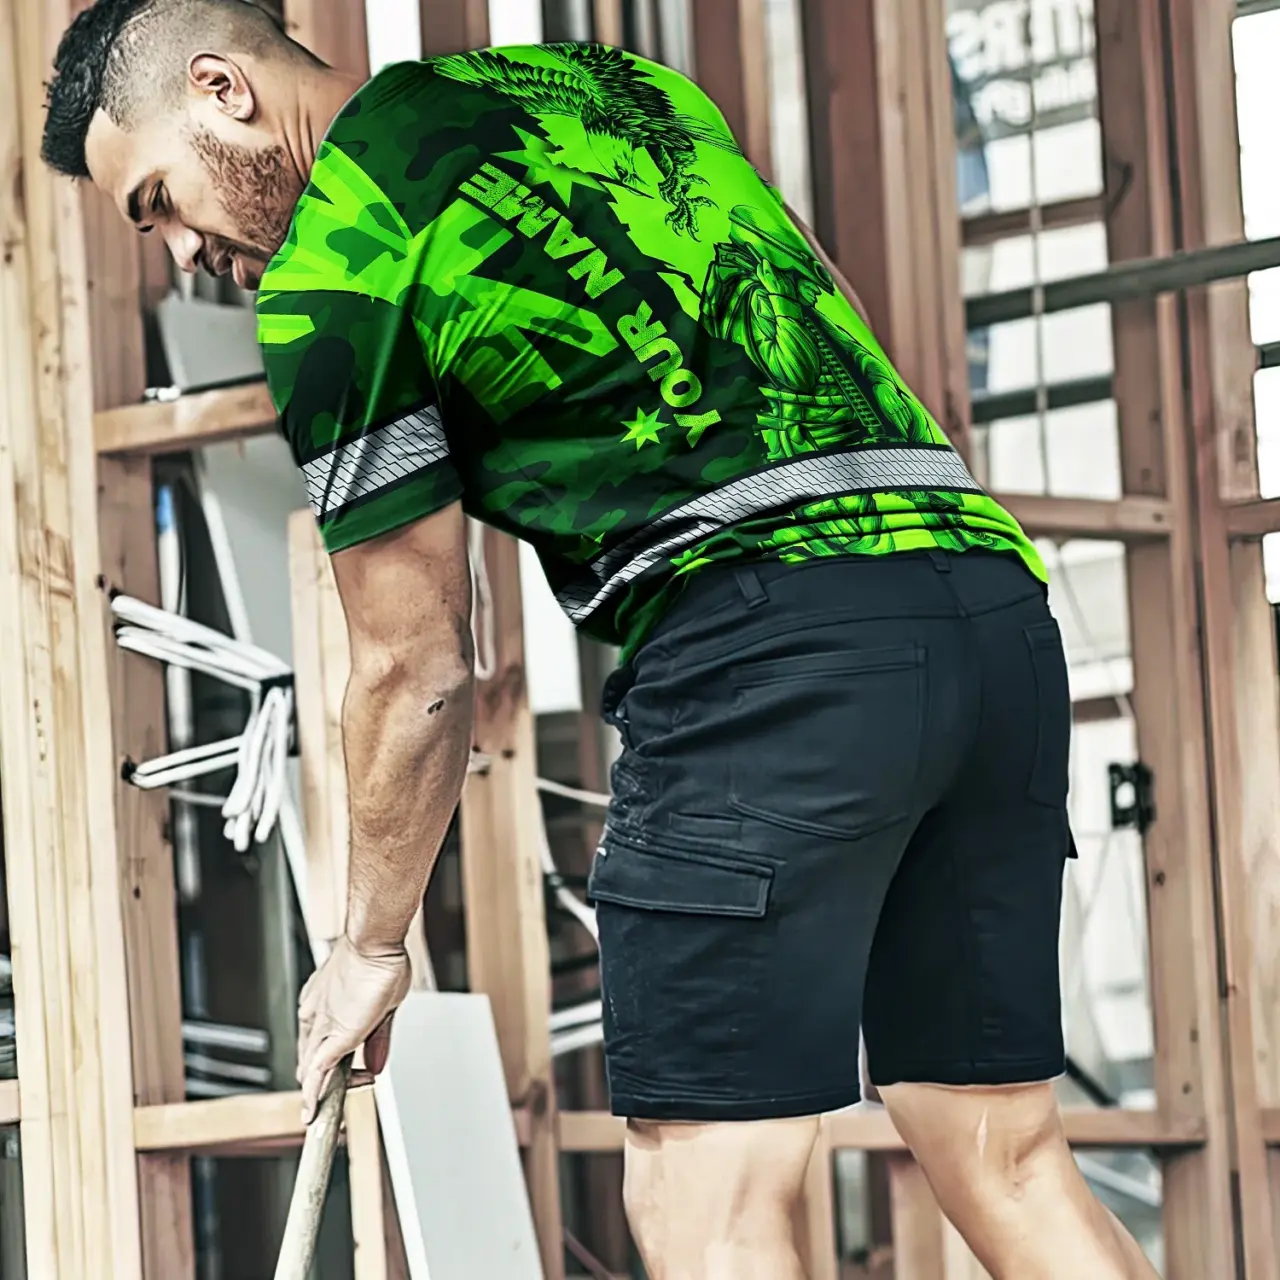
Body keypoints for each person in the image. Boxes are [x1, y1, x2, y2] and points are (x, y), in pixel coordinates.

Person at [43, 4, 1159, 1277]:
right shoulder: (600, 86)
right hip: (984, 607)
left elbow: (415, 665)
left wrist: (364, 948)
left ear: (221, 89)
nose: (185, 251)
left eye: (160, 201)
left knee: (702, 1199)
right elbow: (820, 309)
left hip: (763, 653)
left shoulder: (336, 271)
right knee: (1001, 1152)